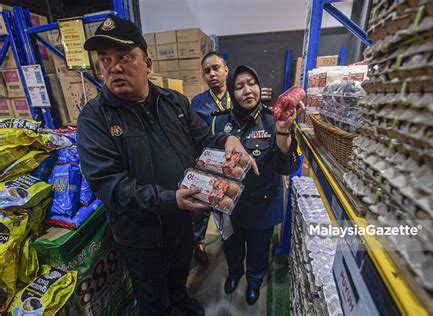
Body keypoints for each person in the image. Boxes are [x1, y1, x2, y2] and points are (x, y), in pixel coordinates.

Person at [76, 16, 257, 316]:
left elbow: (203, 138)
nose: (114, 67)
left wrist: (228, 142)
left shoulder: (174, 102)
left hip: (181, 220)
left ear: (146, 63)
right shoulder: (95, 119)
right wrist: (169, 199)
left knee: (178, 278)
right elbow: (108, 184)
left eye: (124, 57)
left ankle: (181, 302)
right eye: (105, 60)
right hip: (141, 234)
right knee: (152, 298)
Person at [212, 65, 302, 305]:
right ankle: (234, 274)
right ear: (231, 92)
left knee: (258, 250)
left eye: (251, 83)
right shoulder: (219, 123)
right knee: (231, 247)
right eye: (239, 86)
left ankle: (253, 281)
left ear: (259, 87)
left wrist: (283, 133)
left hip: (262, 205)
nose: (247, 90)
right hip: (227, 205)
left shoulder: (274, 120)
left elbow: (287, 168)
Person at [190, 51, 232, 264]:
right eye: (207, 71)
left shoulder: (239, 96)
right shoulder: (197, 103)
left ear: (226, 69)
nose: (212, 74)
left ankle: (229, 239)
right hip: (207, 163)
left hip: (233, 165)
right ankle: (198, 242)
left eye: (216, 68)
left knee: (228, 204)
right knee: (202, 208)